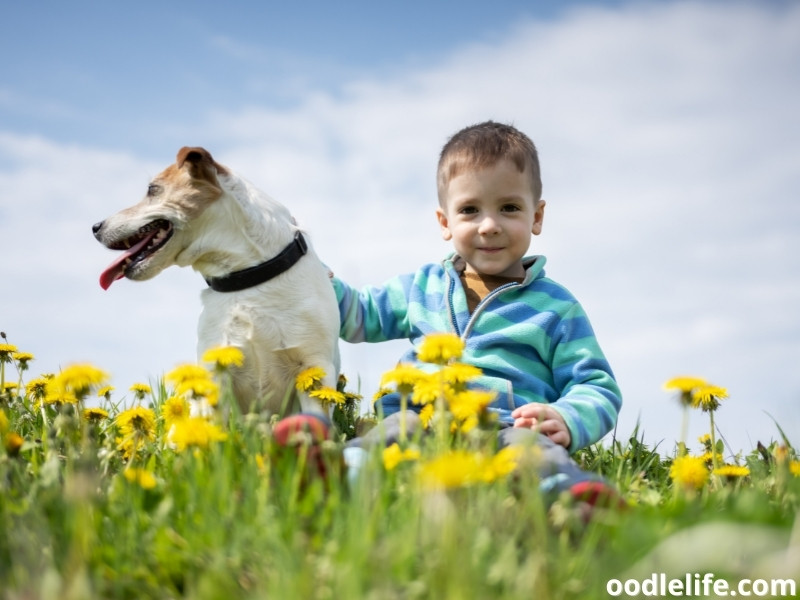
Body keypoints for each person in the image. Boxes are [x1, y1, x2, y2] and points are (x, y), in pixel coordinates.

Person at [279, 121, 623, 505]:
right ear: (445, 222)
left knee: (533, 454)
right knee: (393, 432)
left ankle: (573, 502)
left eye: (509, 208)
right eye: (470, 210)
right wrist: (318, 282)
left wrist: (568, 418)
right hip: (420, 418)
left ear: (537, 217)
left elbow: (596, 384)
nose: (489, 226)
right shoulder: (421, 288)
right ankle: (332, 473)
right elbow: (359, 317)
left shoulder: (556, 307)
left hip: (506, 428)